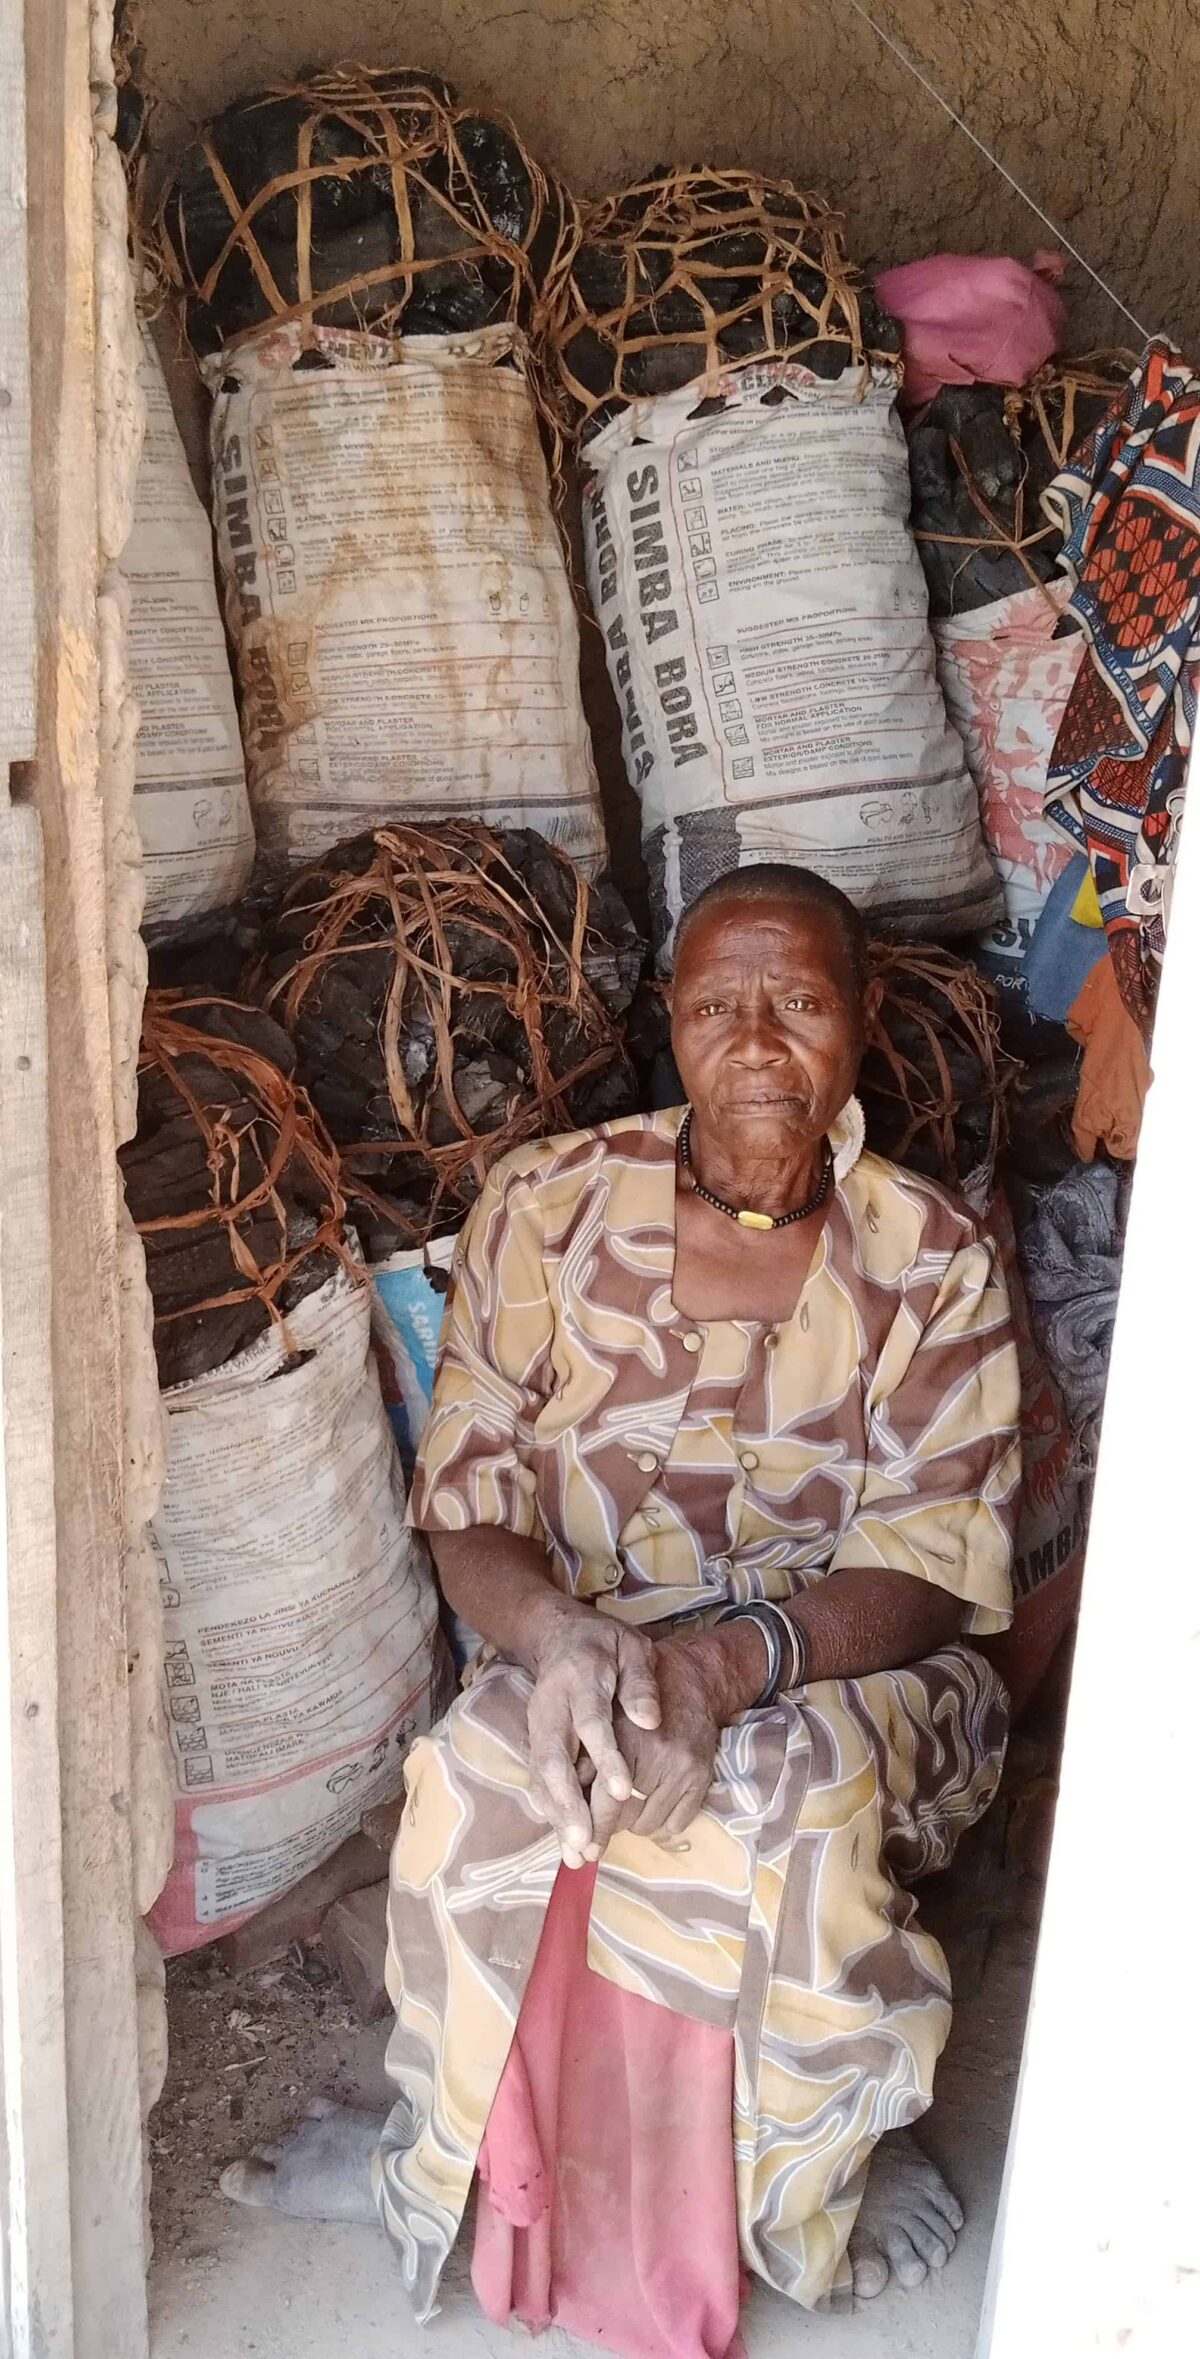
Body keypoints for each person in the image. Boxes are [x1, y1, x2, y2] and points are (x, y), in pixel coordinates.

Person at [223, 863, 1020, 2354]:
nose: (760, 1040)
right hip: (586, 1641)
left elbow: (929, 1572)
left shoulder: (933, 1257)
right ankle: (440, 2162)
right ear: (672, 1023)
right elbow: (471, 1516)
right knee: (477, 1778)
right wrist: (566, 1643)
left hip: (837, 1662)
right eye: (721, 1005)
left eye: (800, 1001)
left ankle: (824, 2158)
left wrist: (733, 1664)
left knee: (791, 1806)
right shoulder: (548, 1206)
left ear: (860, 1022)